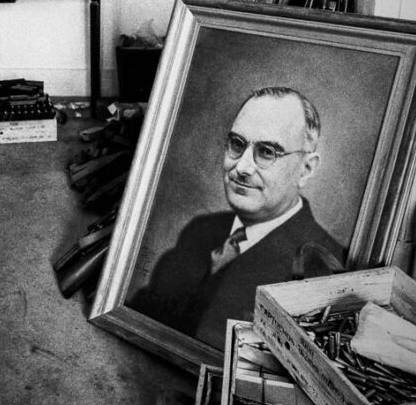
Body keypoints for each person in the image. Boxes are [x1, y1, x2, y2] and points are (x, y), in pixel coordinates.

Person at [127, 86, 344, 349]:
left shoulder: (324, 270)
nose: (242, 167)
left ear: (306, 169)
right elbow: (145, 311)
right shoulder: (201, 229)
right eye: (237, 144)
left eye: (267, 152)